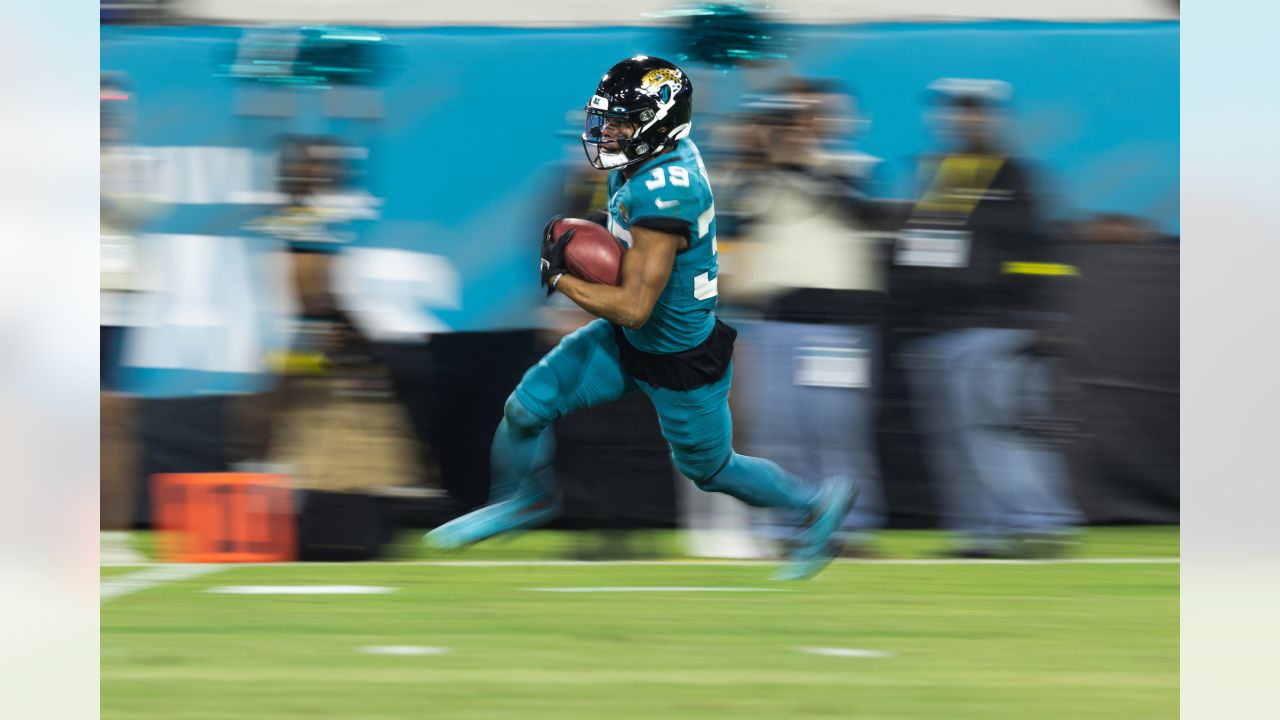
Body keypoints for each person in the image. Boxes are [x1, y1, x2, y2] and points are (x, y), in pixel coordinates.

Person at [425, 56, 857, 580]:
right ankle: (525, 499)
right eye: (607, 119)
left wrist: (561, 278)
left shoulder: (666, 188)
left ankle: (814, 505)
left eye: (623, 121)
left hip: (677, 355)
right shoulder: (648, 159)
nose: (608, 131)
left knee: (711, 470)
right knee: (526, 407)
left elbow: (634, 306)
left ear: (658, 123)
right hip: (628, 339)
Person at [891, 79, 1082, 558]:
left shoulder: (1015, 175)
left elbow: (1038, 252)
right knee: (955, 440)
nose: (965, 119)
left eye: (976, 111)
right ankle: (982, 532)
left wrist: (1039, 317)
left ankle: (1037, 523)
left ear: (995, 118)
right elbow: (921, 249)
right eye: (956, 111)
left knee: (998, 429)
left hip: (994, 326)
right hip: (937, 331)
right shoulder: (936, 174)